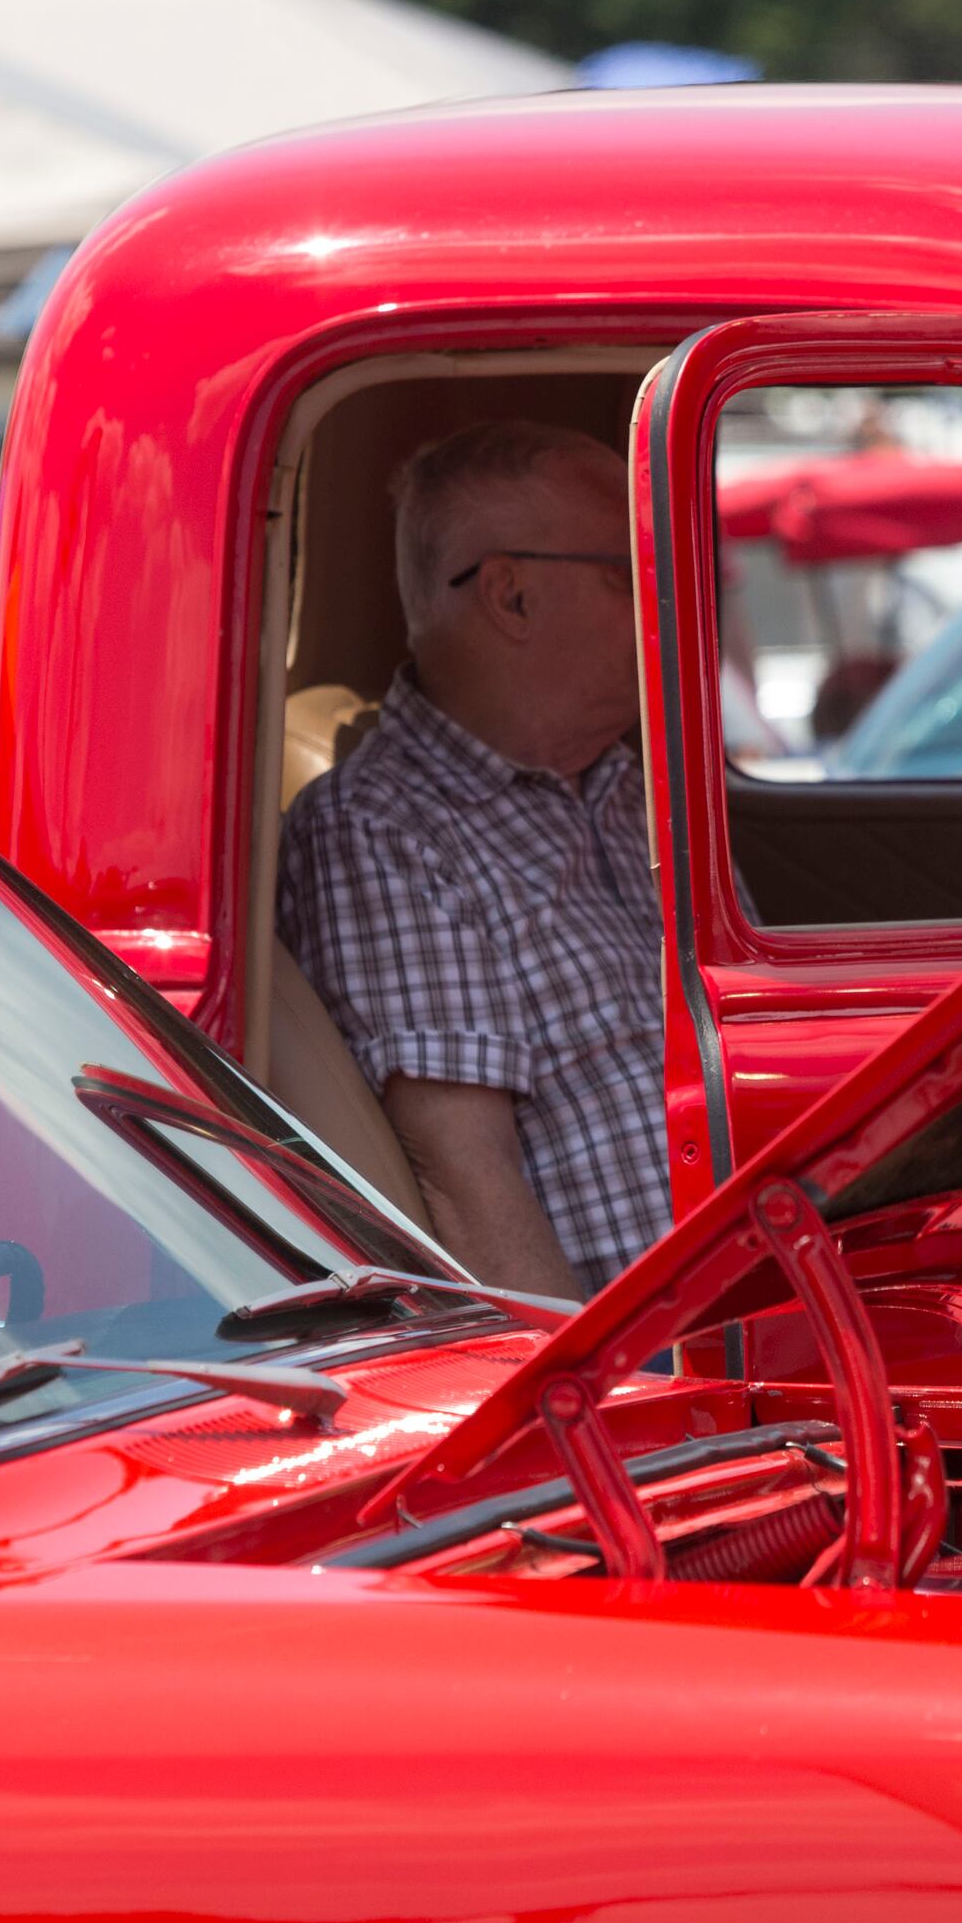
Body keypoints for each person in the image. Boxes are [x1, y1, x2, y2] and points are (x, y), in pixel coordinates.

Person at [278, 419, 658, 1296]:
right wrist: (598, 1407)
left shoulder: (630, 782)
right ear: (512, 597)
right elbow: (466, 1186)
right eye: (632, 572)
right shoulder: (385, 828)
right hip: (661, 1359)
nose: (673, 599)